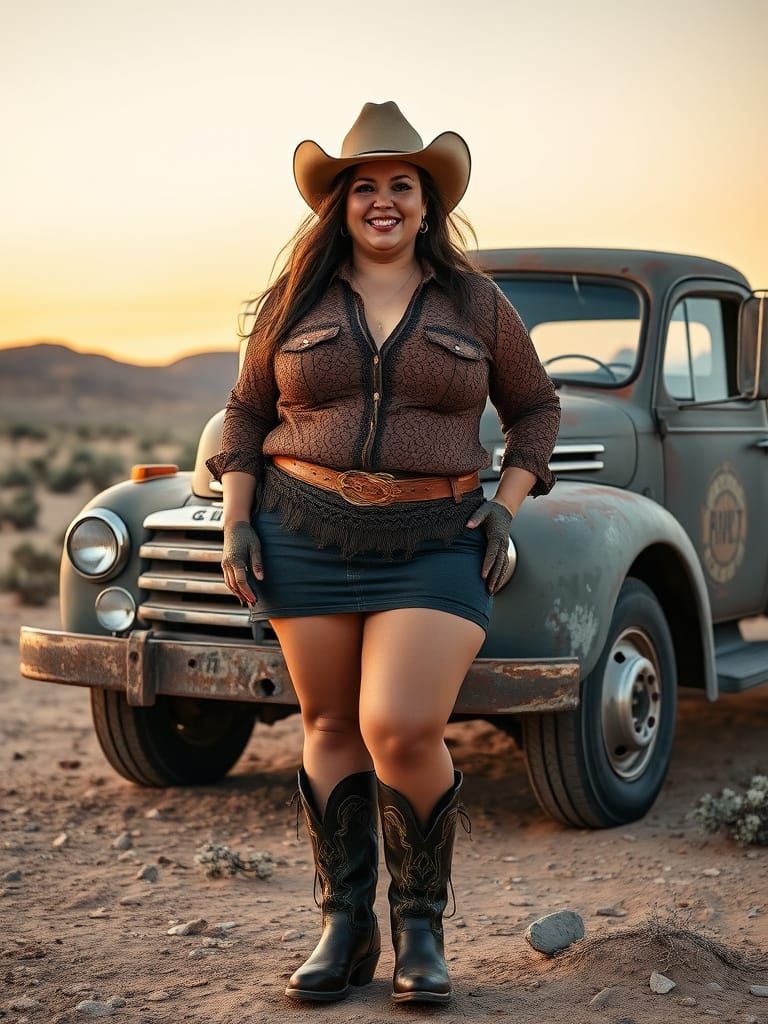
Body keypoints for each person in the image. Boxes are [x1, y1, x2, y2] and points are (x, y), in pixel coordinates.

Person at [205, 100, 561, 1005]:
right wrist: (237, 517)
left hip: (435, 538)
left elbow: (537, 409)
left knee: (400, 727)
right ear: (341, 204)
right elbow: (247, 412)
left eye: (401, 185)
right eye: (365, 187)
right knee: (328, 726)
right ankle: (344, 925)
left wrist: (508, 504)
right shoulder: (298, 297)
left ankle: (421, 927)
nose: (383, 202)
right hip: (302, 531)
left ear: (427, 201)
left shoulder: (475, 302)